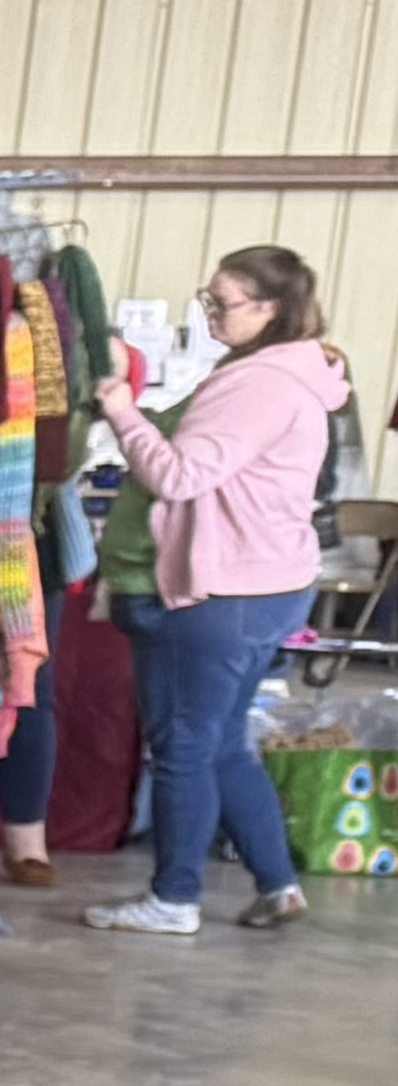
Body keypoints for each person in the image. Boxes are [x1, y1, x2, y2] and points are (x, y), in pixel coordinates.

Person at [87, 246, 348, 937]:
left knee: (183, 747)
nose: (209, 315)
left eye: (221, 303)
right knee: (224, 743)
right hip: (267, 584)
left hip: (221, 593)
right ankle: (278, 884)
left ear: (269, 309)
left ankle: (173, 898)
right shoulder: (286, 373)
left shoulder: (260, 383)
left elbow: (179, 476)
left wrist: (122, 412)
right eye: (207, 299)